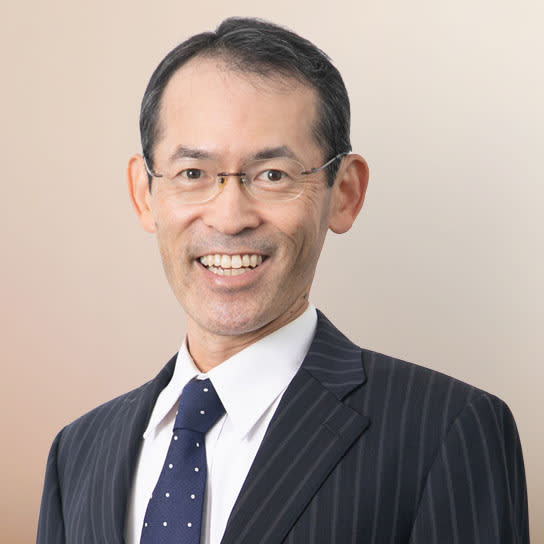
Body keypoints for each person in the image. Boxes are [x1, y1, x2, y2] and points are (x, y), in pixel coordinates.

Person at [37, 17, 529, 544]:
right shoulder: (78, 453)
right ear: (144, 193)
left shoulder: (447, 430)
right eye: (193, 174)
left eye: (272, 175)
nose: (230, 218)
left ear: (345, 192)